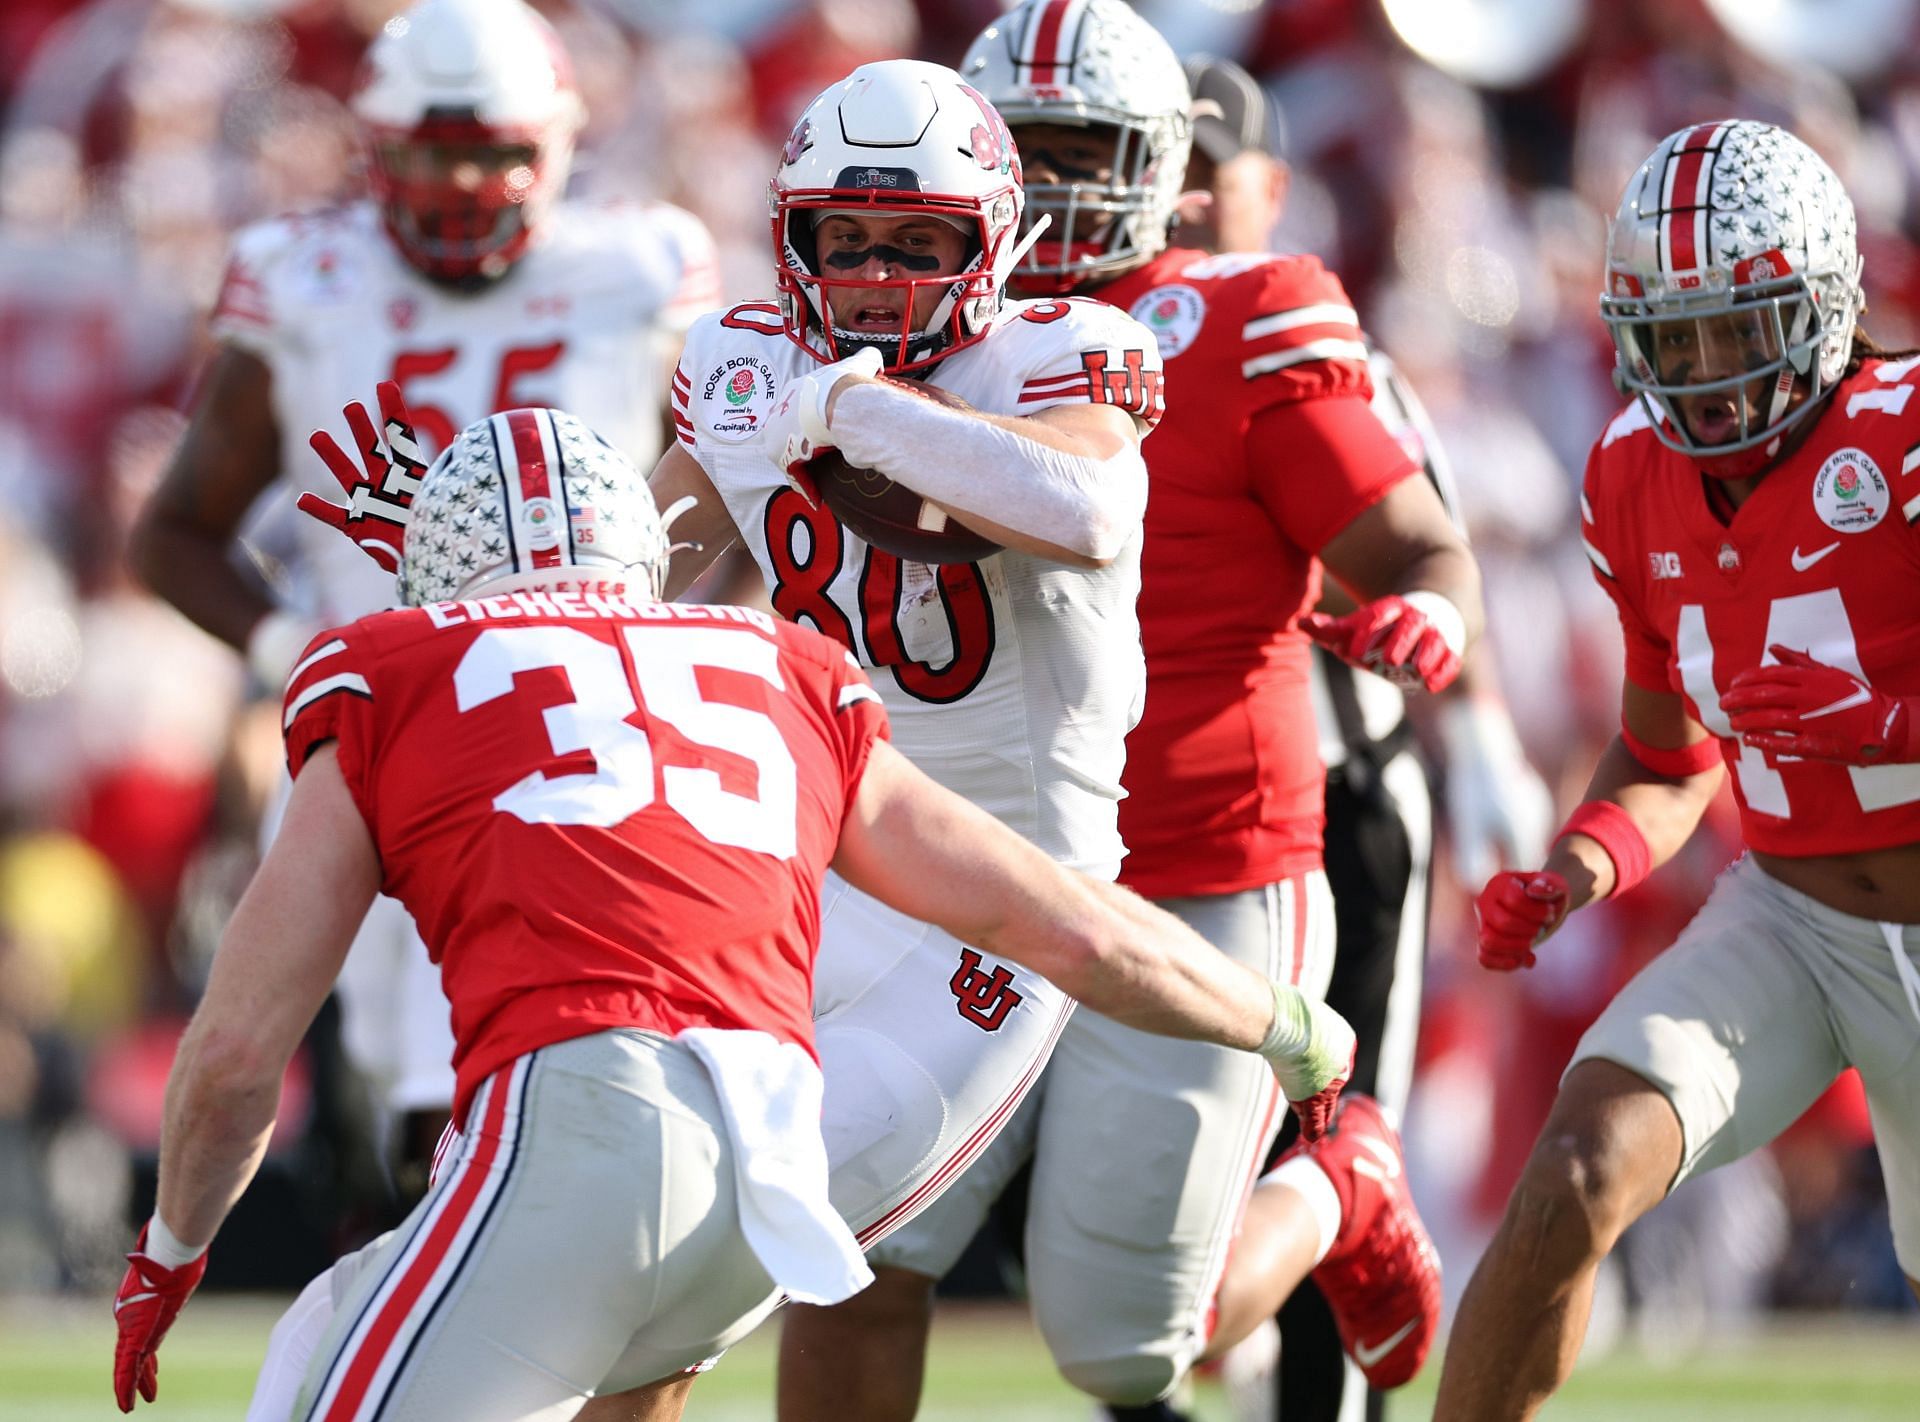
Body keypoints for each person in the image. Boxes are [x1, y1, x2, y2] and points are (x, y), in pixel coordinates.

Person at [110, 385, 1356, 1422]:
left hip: (578, 1114)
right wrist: (1288, 1021)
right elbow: (1067, 924)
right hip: (774, 1172)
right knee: (351, 1328)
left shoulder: (387, 668)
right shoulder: (785, 666)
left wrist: (167, 1253)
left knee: (315, 1361)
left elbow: (233, 1056)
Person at [776, 7, 1473, 1419]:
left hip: (1192, 868)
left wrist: (1435, 609)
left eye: (1086, 152)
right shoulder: (859, 314)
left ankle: (1339, 1184)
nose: (1062, 187)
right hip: (954, 877)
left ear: (1172, 167)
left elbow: (1415, 543)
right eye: (1026, 152)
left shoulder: (1239, 314)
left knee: (1133, 1340)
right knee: (842, 1247)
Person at [128, 0, 720, 1193]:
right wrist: (298, 645)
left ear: (558, 143)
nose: (467, 179)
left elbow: (720, 502)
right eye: (438, 150)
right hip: (397, 734)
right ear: (377, 149)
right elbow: (174, 536)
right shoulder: (305, 277)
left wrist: (702, 645)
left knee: (601, 1075)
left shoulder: (639, 263)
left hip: (594, 728)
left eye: (498, 148)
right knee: (422, 1115)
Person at [1433, 118, 1920, 1420]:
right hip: (1797, 916)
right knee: (1578, 1167)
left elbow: (1847, 715)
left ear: (1823, 303)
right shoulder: (1628, 473)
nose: (1704, 371)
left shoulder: (1907, 431)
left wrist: (1876, 716)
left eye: (1739, 325)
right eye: (1676, 332)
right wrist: (1579, 863)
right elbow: (1667, 750)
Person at [1181, 54, 1553, 1422]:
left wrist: (1489, 732)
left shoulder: (1316, 338)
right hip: (1162, 808)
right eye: (1163, 179)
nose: (1179, 207)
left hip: (1341, 792)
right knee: (1155, 1155)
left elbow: (1431, 550)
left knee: (1338, 1135)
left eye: (1206, 182)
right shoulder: (1084, 346)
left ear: (1268, 193)